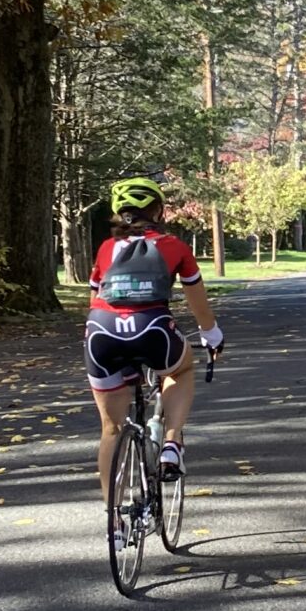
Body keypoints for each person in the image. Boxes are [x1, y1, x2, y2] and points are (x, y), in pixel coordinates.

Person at [86, 178, 223, 511]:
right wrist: (212, 334)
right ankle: (172, 441)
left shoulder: (106, 249)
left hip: (101, 334)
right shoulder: (174, 246)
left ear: (119, 213)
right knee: (181, 368)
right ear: (159, 211)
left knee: (111, 428)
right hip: (153, 330)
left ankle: (114, 522)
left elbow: (94, 299)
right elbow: (198, 302)